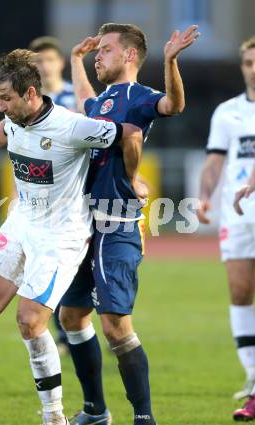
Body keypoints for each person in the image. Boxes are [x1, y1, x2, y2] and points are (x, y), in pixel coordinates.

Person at [0, 49, 143, 425]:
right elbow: (5, 130)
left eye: (6, 99)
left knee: (29, 319)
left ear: (31, 93)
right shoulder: (15, 118)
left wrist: (131, 179)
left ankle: (54, 417)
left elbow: (128, 133)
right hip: (21, 224)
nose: (1, 107)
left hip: (60, 237)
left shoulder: (71, 126)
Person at [58, 23, 200, 425]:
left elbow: (173, 106)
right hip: (83, 225)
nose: (98, 55)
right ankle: (96, 411)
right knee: (71, 317)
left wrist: (171, 62)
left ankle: (144, 418)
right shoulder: (104, 100)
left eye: (105, 50)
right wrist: (75, 61)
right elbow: (86, 103)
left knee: (116, 326)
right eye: (97, 50)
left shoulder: (138, 97)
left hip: (116, 224)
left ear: (130, 56)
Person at [197, 35, 255, 421]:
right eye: (249, 62)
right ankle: (253, 378)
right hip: (238, 214)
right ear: (242, 66)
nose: (254, 68)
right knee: (239, 291)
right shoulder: (227, 112)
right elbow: (215, 161)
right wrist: (205, 196)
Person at [29, 35, 78, 354]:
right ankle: (63, 333)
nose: (44, 66)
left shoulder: (78, 95)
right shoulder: (28, 101)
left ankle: (76, 328)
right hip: (44, 195)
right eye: (38, 62)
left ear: (60, 62)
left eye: (48, 59)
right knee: (46, 263)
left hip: (77, 193)